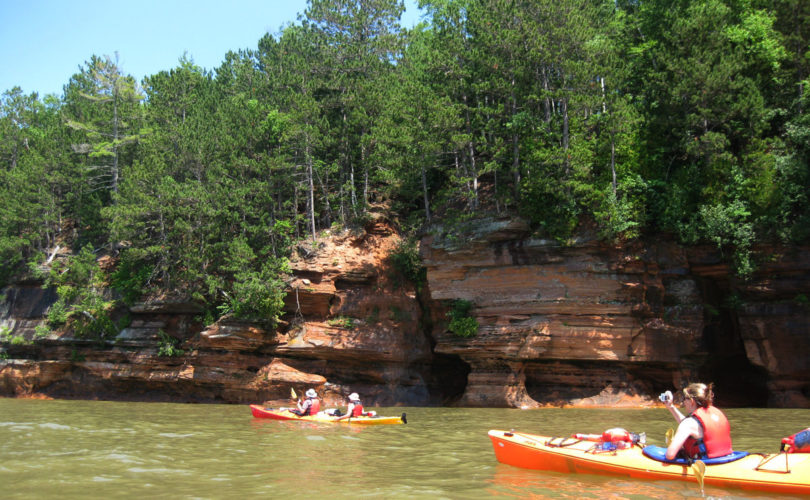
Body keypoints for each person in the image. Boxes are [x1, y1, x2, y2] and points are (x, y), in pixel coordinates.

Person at [662, 382, 733, 460]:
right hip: (727, 459)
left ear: (692, 401)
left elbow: (670, 455)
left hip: (707, 464)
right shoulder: (717, 414)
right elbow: (692, 425)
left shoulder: (689, 424)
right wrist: (671, 406)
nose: (683, 402)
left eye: (684, 398)